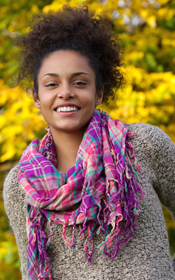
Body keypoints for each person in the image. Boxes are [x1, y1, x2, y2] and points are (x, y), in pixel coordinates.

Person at [3, 5, 175, 280]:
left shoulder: (143, 145)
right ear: (36, 97)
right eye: (51, 84)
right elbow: (32, 270)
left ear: (99, 92)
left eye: (80, 83)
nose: (66, 93)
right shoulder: (19, 184)